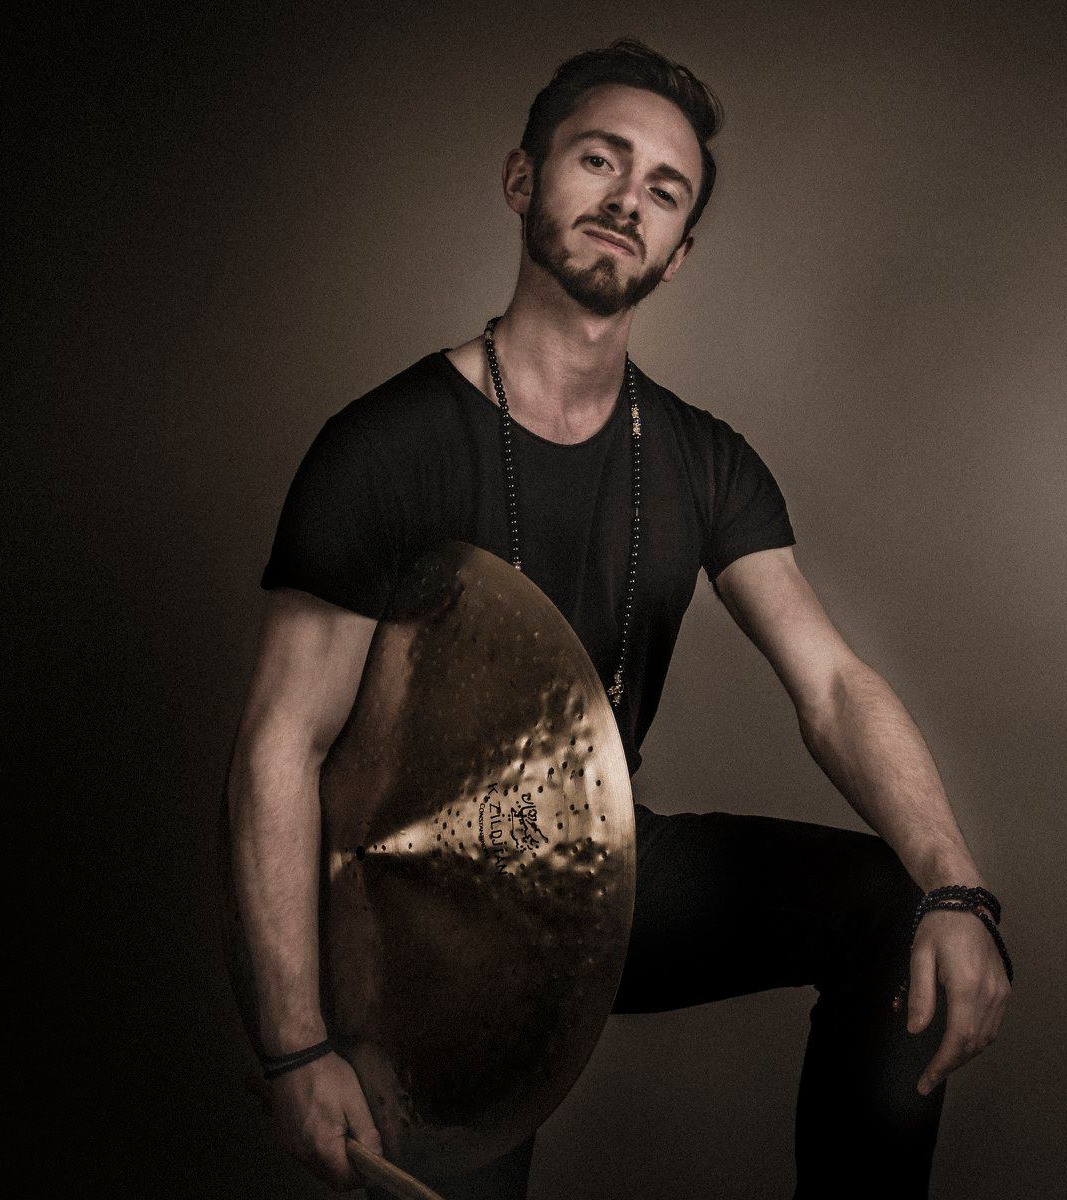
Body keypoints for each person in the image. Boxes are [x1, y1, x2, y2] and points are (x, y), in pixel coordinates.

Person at [225, 37, 1013, 1200]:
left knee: (901, 910)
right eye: (599, 160)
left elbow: (834, 686)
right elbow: (277, 747)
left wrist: (957, 886)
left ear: (681, 251)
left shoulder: (701, 459)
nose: (624, 201)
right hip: (411, 932)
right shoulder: (384, 449)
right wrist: (295, 1044)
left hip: (593, 873)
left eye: (662, 189)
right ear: (522, 180)